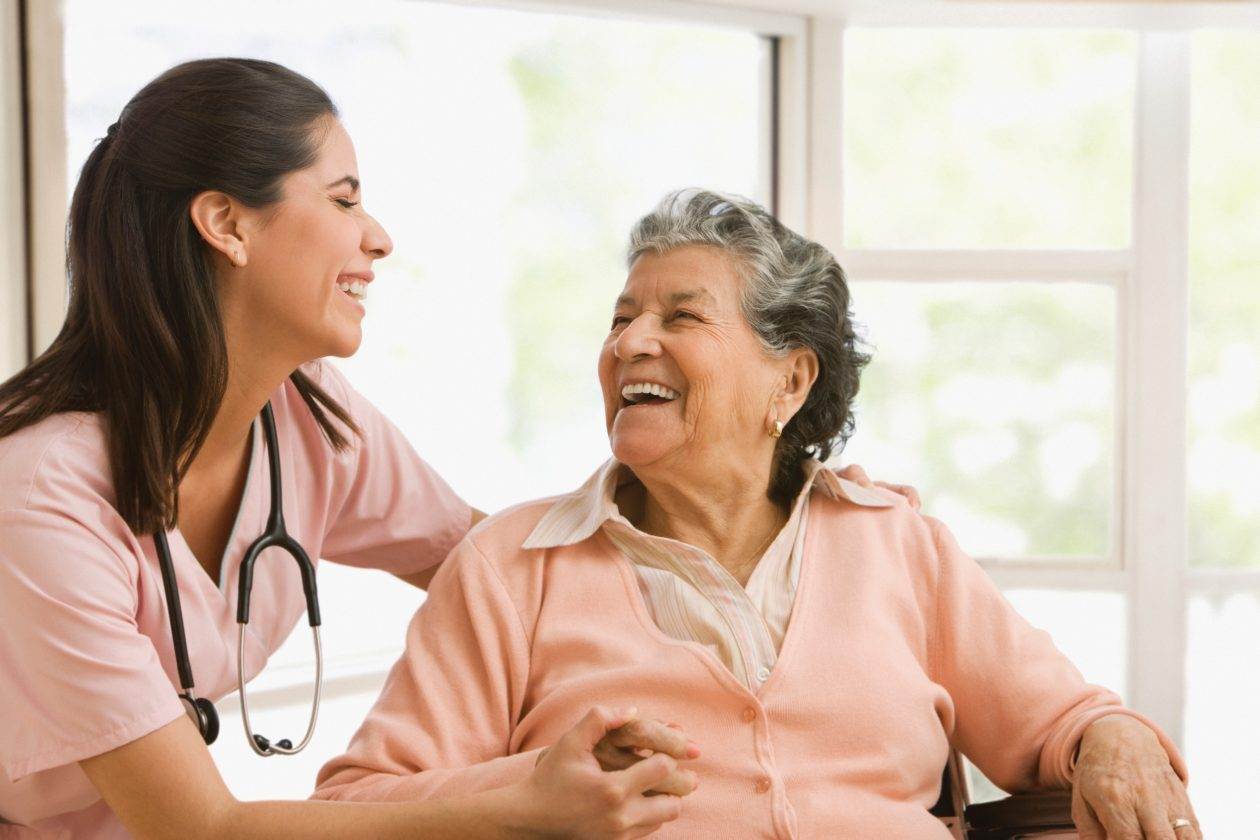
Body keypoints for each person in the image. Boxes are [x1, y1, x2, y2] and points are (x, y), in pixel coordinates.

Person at [313, 190, 1201, 839]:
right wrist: (532, 788)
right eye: (622, 318)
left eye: (680, 316)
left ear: (791, 379)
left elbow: (1059, 721)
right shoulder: (514, 565)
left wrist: (1111, 737)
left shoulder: (895, 546)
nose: (629, 342)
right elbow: (356, 804)